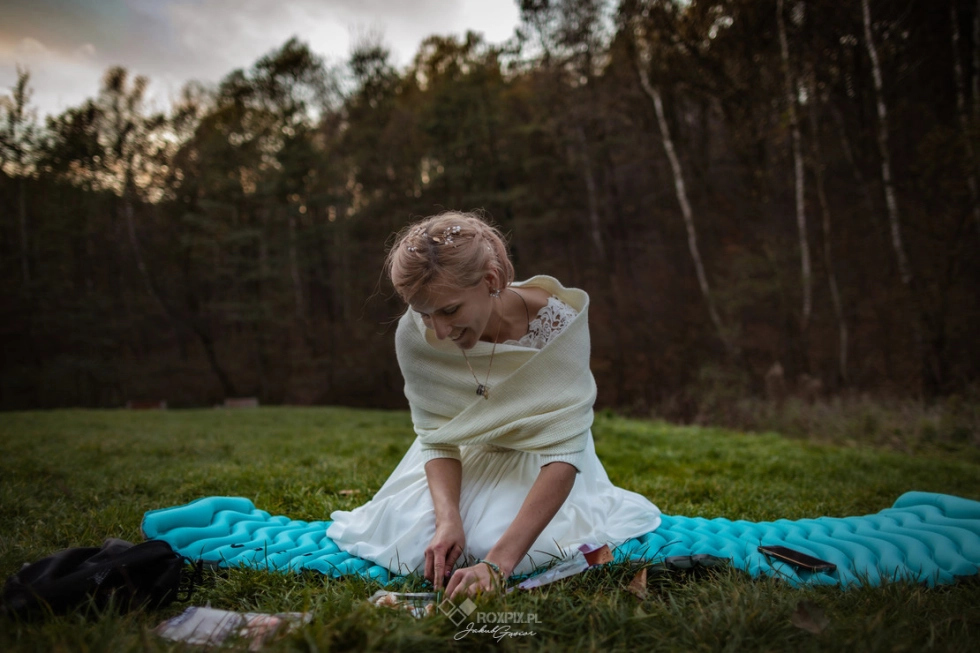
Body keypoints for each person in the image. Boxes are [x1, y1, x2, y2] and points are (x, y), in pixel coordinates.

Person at [326, 211, 661, 598]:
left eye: (450, 310)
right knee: (421, 543)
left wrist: (497, 564)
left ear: (490, 280)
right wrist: (447, 518)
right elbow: (436, 438)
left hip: (546, 460)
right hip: (464, 454)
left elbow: (565, 450)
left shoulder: (557, 322)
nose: (439, 332)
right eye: (424, 314)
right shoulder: (415, 336)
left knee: (491, 545)